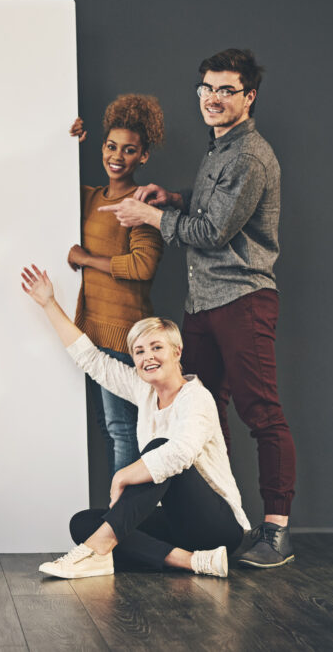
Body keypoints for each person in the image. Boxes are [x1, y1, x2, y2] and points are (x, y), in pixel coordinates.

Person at [104, 49, 296, 567]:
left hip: (243, 299)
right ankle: (221, 520)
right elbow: (211, 206)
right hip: (203, 304)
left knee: (261, 412)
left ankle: (275, 531)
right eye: (207, 88)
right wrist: (174, 197)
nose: (213, 98)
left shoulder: (250, 155)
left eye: (226, 90)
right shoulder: (219, 150)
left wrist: (147, 214)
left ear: (249, 97)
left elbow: (214, 232)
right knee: (204, 411)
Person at [20, 265, 249, 578]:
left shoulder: (196, 398)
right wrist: (49, 303)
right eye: (139, 351)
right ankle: (194, 562)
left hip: (219, 527)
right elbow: (91, 360)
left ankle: (99, 551)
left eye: (156, 347)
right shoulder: (142, 389)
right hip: (178, 526)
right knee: (85, 523)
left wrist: (122, 476)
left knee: (160, 448)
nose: (147, 357)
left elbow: (179, 454)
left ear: (177, 351)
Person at [67, 95, 165, 476]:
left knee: (122, 430)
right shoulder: (91, 198)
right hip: (91, 331)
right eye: (111, 146)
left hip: (124, 335)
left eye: (129, 150)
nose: (117, 156)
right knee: (110, 431)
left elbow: (144, 265)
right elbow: (45, 189)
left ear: (143, 157)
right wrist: (66, 146)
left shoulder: (140, 205)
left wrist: (86, 259)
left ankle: (121, 525)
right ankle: (121, 521)